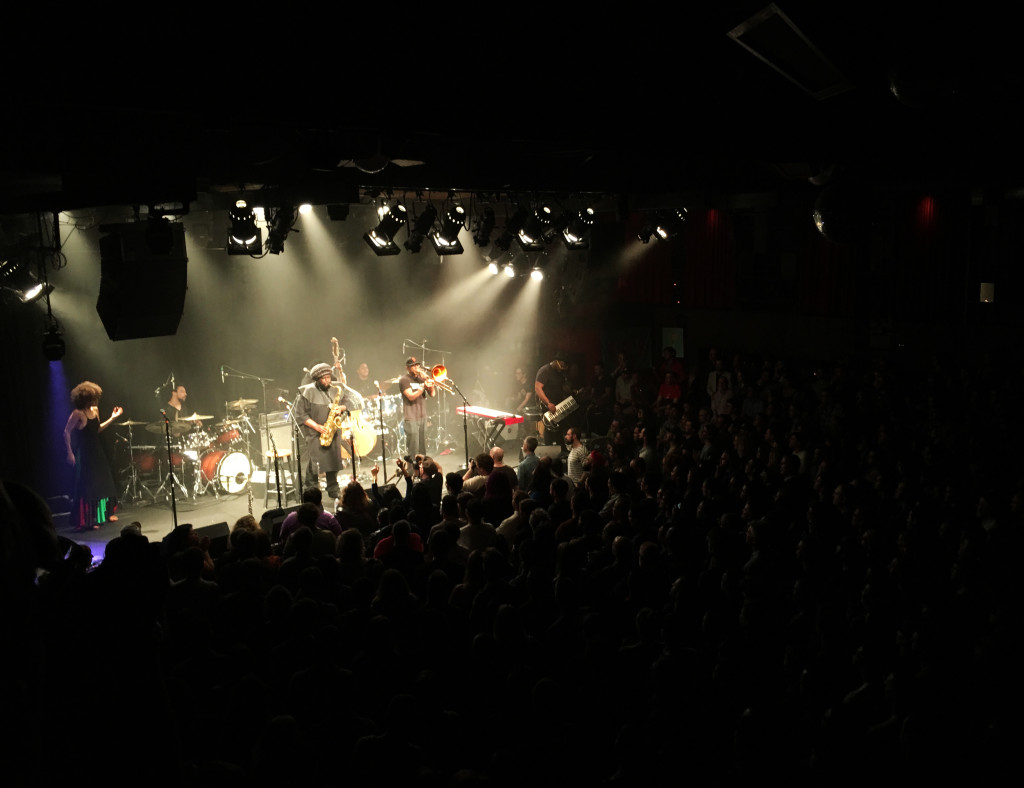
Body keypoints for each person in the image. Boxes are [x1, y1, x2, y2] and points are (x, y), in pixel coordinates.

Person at [294, 361, 358, 500]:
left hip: (332, 431)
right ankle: (310, 489)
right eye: (323, 378)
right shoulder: (307, 391)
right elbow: (301, 414)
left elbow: (348, 402)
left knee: (333, 460)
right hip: (315, 433)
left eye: (328, 377)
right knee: (315, 462)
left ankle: (333, 487)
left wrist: (341, 408)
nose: (327, 380)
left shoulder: (336, 388)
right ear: (317, 379)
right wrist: (316, 426)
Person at [63, 380, 123, 531]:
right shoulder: (77, 414)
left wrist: (113, 417)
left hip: (97, 451)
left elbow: (98, 429)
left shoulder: (95, 410)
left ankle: (105, 514)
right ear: (85, 399)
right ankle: (87, 520)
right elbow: (66, 432)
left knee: (104, 482)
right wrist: (70, 453)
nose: (95, 401)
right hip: (85, 453)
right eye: (92, 398)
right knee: (88, 487)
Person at [399, 356, 436, 458]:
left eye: (417, 365)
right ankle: (412, 472)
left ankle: (422, 471)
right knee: (413, 449)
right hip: (411, 419)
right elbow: (411, 396)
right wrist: (423, 386)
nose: (416, 367)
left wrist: (428, 381)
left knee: (422, 448)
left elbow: (432, 394)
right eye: (413, 366)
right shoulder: (404, 380)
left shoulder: (421, 379)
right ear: (407, 368)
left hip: (422, 417)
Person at [535, 351, 572, 443]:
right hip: (547, 403)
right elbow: (538, 388)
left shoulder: (559, 372)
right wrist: (548, 403)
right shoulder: (545, 370)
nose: (563, 367)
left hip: (557, 403)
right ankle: (549, 448)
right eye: (562, 364)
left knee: (559, 426)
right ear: (557, 361)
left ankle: (560, 447)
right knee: (549, 426)